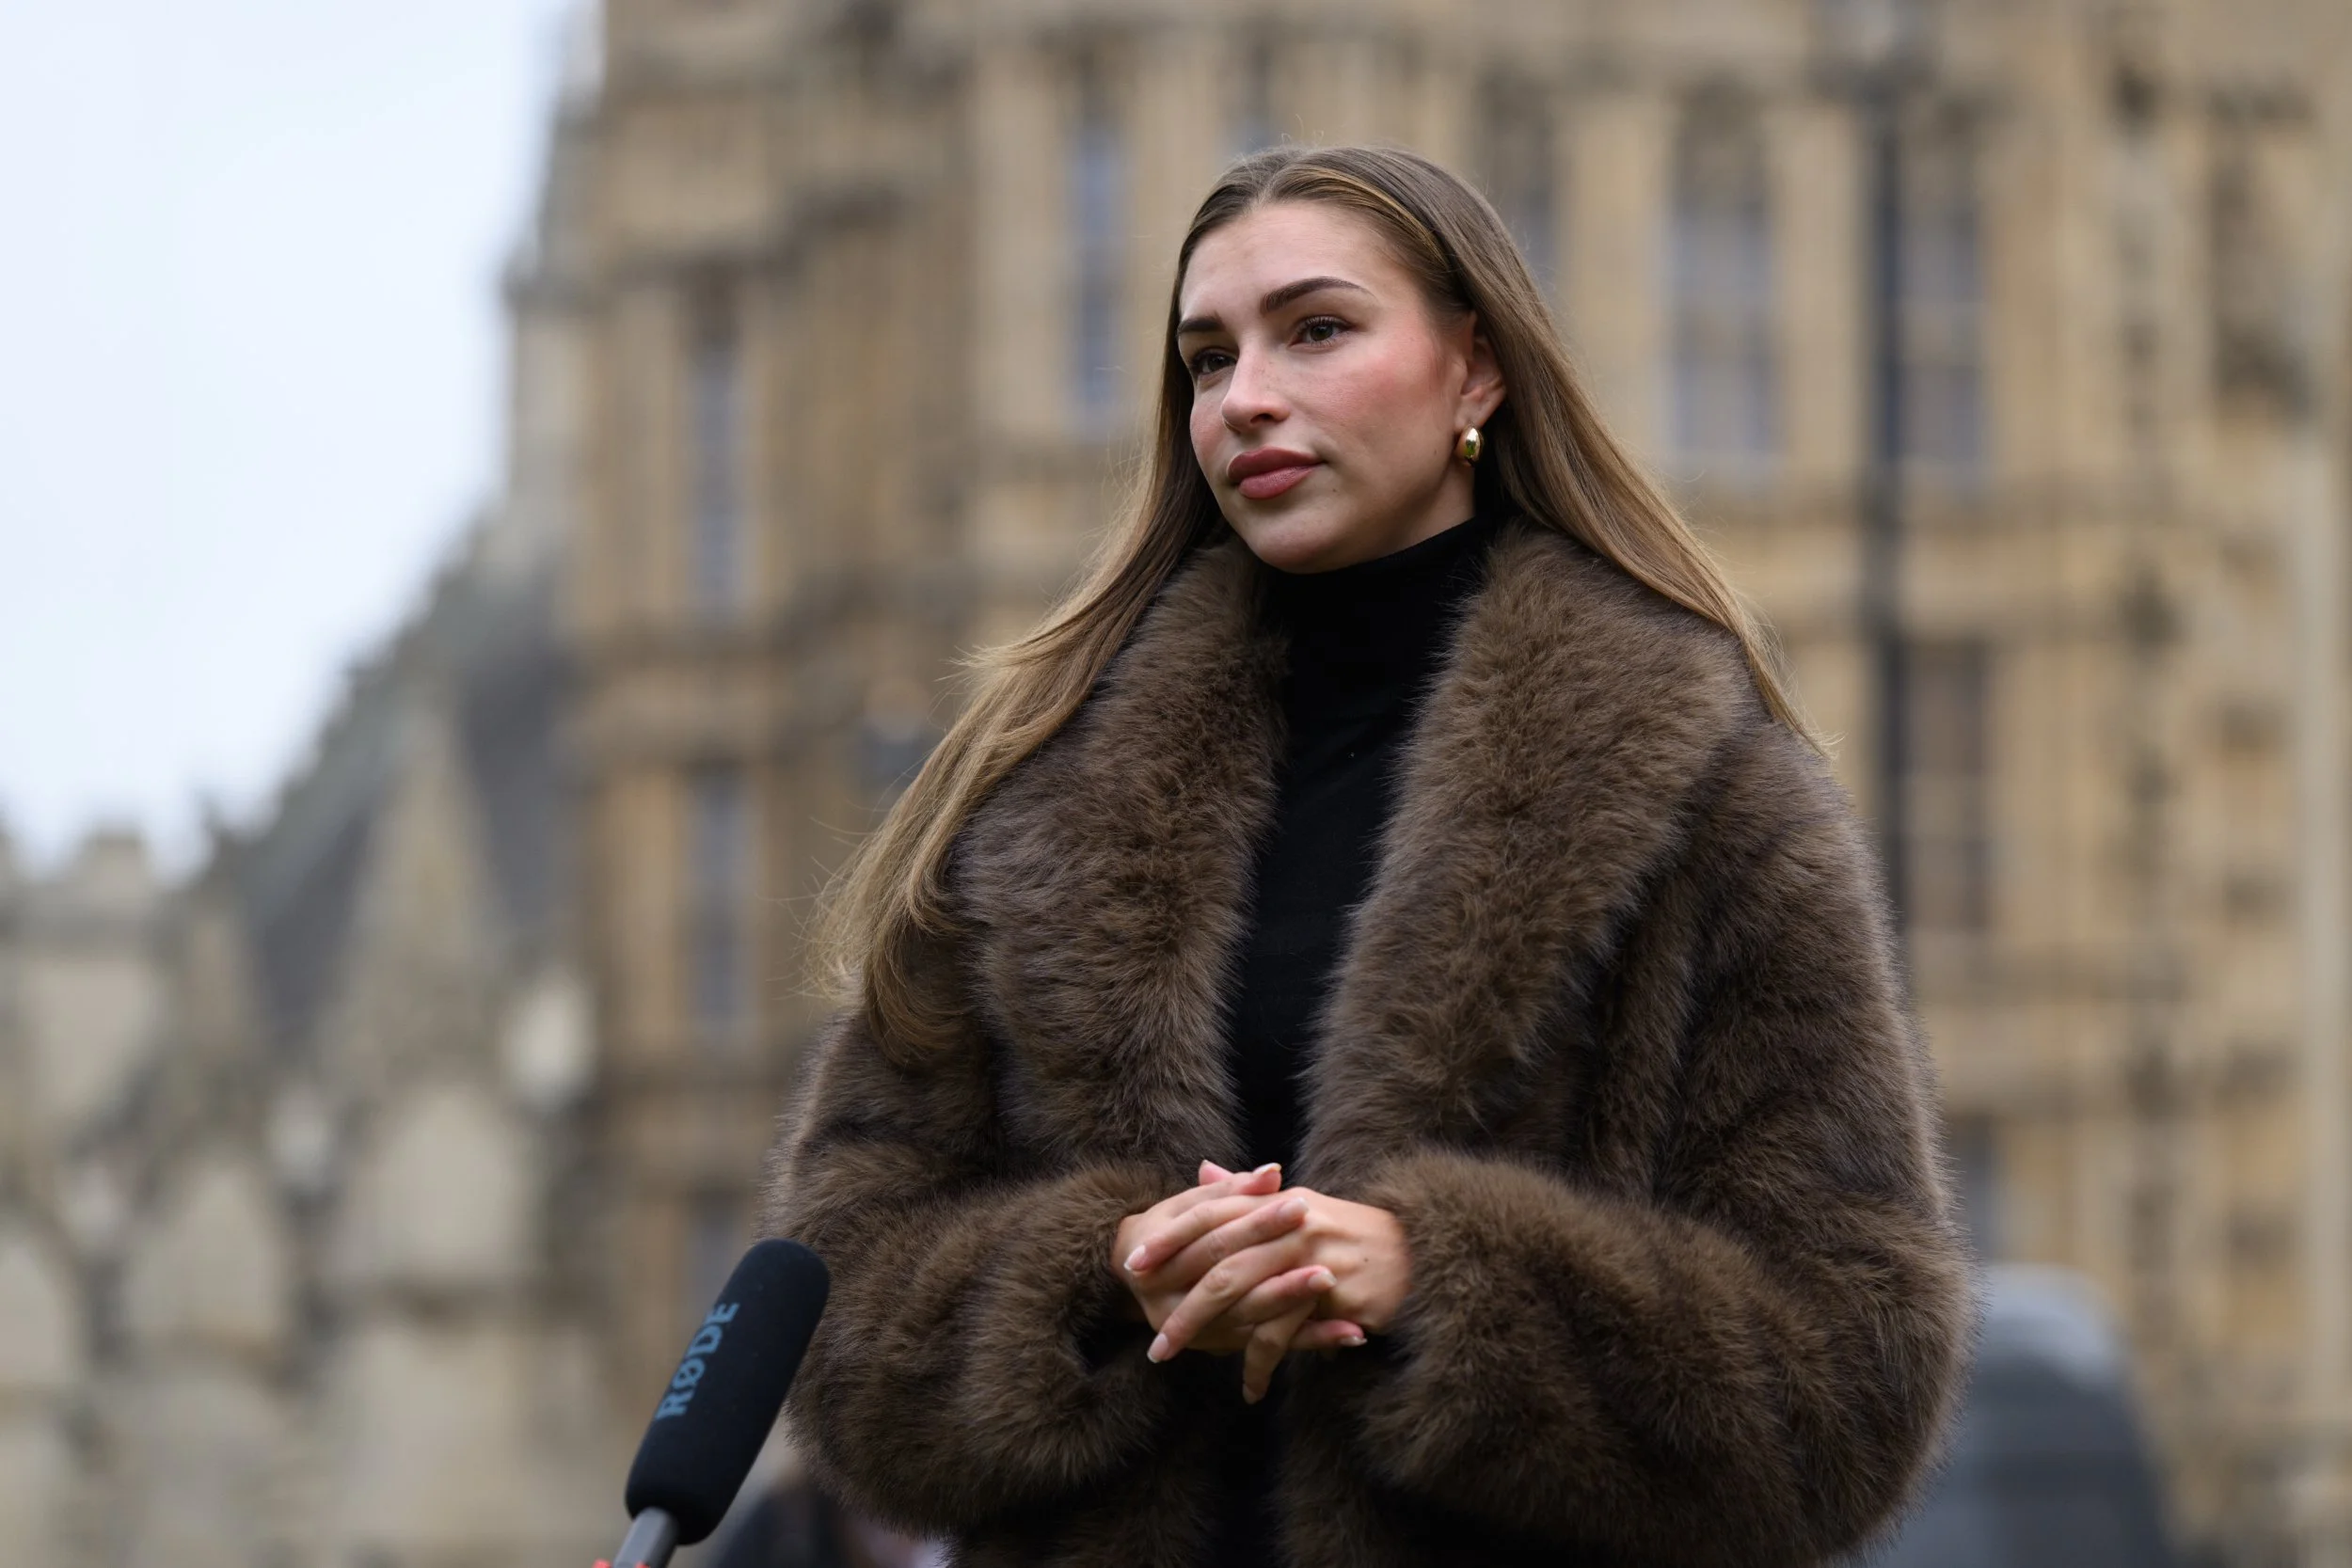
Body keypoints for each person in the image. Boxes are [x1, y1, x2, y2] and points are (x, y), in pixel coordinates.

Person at [762, 143, 1973, 1568]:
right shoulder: (1035, 789)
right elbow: (835, 1323)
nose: (1247, 396)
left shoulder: (1714, 799)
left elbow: (1853, 1380)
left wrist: (1434, 1280)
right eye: (1206, 361)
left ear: (1476, 370)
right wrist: (1115, 1270)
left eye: (1317, 330)